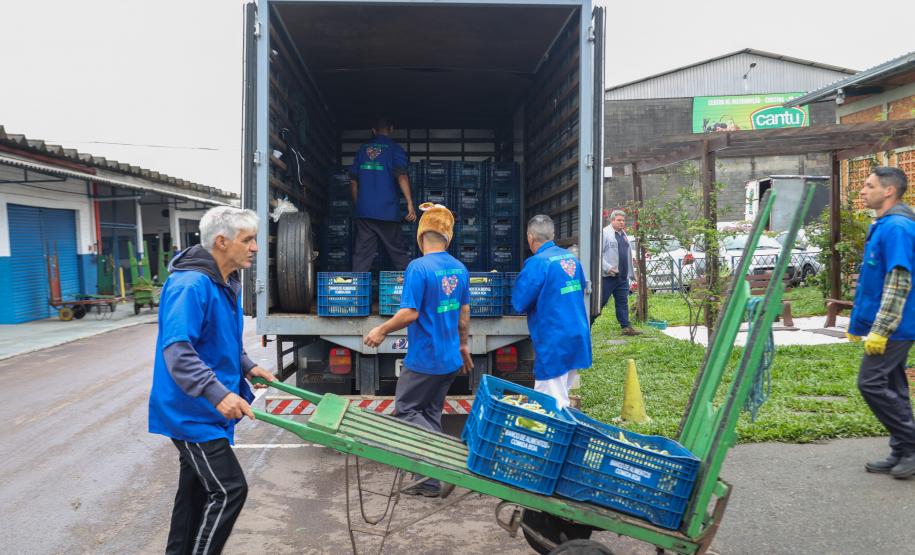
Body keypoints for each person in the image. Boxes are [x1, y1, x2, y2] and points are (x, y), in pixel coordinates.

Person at [148, 206, 275, 554]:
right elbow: (178, 350)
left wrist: (247, 365)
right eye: (247, 240)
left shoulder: (225, 281)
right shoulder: (191, 285)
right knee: (230, 490)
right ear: (221, 242)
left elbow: (218, 338)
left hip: (205, 409)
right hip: (190, 412)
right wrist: (218, 393)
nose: (254, 247)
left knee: (194, 492)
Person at [363, 203, 473, 497]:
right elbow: (464, 314)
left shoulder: (418, 268)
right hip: (449, 358)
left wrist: (381, 330)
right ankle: (428, 482)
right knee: (430, 413)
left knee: (407, 411)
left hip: (425, 359)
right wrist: (463, 345)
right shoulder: (459, 268)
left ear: (422, 234)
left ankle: (445, 457)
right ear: (448, 236)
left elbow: (409, 313)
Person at [846, 167, 915, 478]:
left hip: (898, 326)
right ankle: (903, 450)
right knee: (893, 386)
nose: (863, 191)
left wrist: (881, 330)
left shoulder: (898, 227)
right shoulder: (884, 224)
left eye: (869, 185)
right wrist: (859, 323)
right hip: (892, 324)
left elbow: (898, 282)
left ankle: (911, 444)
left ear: (889, 191)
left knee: (871, 383)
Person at [512, 214, 592, 409]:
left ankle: (556, 429)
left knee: (549, 405)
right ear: (553, 235)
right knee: (561, 396)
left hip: (554, 341)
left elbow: (520, 303)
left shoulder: (537, 263)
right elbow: (581, 287)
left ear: (530, 237)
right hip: (577, 335)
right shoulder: (571, 259)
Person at [350, 117, 417, 272]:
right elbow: (402, 176)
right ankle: (409, 285)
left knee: (362, 256)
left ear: (374, 131)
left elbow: (353, 182)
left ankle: (357, 286)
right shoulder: (395, 149)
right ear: (391, 129)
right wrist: (409, 203)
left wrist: (359, 205)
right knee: (398, 254)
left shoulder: (362, 150)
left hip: (365, 212)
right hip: (387, 211)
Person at [601, 209, 640, 336]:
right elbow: (597, 255)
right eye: (619, 220)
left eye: (623, 220)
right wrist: (608, 268)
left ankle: (626, 327)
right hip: (608, 277)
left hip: (622, 277)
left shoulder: (623, 234)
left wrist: (632, 274)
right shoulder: (605, 233)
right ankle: (587, 323)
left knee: (623, 303)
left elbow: (627, 255)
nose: (622, 222)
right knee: (600, 302)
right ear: (612, 220)